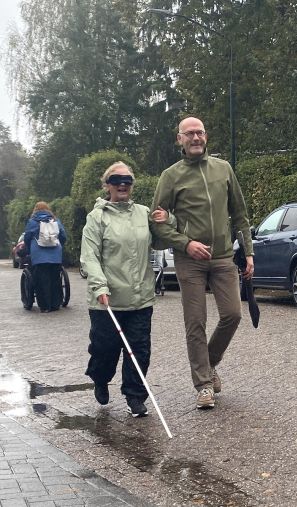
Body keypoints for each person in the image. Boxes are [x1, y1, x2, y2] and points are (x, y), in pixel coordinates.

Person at [151, 116, 254, 410]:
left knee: (233, 315)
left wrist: (248, 252)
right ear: (179, 139)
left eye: (199, 133)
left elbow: (240, 214)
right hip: (189, 261)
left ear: (206, 137)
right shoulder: (170, 176)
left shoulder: (223, 169)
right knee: (195, 322)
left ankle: (208, 365)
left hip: (222, 257)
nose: (195, 138)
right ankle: (203, 385)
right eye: (189, 134)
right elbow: (157, 222)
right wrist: (186, 243)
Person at [80, 161, 169, 417]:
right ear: (107, 185)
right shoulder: (97, 218)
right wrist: (99, 285)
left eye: (128, 180)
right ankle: (100, 377)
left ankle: (135, 397)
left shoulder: (143, 213)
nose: (122, 184)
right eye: (117, 180)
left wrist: (167, 220)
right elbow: (90, 256)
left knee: (139, 350)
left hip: (140, 298)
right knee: (105, 349)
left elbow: (162, 241)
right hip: (107, 300)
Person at [24, 201, 67, 313]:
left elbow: (27, 238)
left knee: (41, 281)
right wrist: (59, 246)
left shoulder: (32, 222)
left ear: (35, 209)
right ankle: (55, 304)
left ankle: (45, 306)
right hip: (55, 255)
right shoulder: (56, 220)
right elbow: (63, 235)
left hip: (39, 256)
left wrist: (29, 250)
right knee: (55, 279)